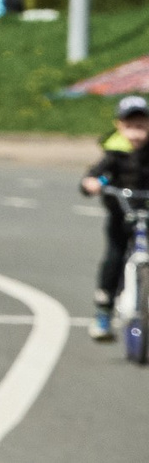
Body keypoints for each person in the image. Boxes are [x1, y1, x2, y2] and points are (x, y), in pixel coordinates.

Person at [81, 94, 149, 342]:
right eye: (130, 127)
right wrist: (93, 184)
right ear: (120, 126)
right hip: (121, 216)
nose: (136, 134)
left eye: (141, 127)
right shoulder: (114, 153)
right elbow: (98, 175)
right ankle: (104, 311)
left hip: (147, 214)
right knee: (114, 258)